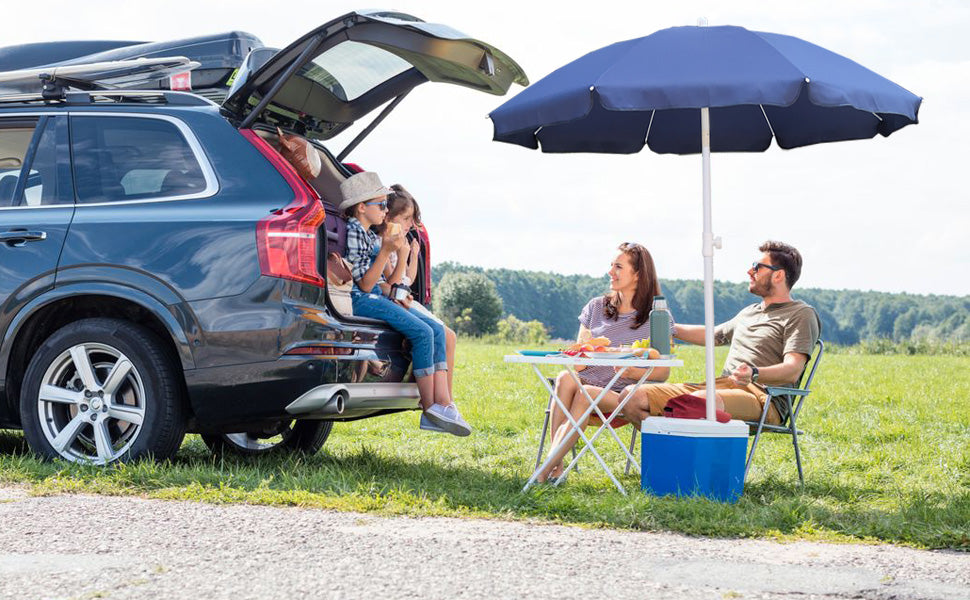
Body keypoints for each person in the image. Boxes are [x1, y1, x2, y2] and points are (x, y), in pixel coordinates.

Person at [619, 240, 821, 428]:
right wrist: (667, 327)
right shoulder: (749, 312)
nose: (750, 271)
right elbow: (713, 335)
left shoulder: (800, 314)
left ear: (778, 275)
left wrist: (754, 373)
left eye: (757, 267)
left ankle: (686, 445)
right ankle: (671, 448)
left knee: (698, 402)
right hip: (720, 387)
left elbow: (792, 369)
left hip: (763, 396)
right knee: (631, 397)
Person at [340, 171, 471, 436]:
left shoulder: (367, 234)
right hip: (361, 298)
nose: (385, 210)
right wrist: (388, 251)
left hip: (375, 295)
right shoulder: (355, 231)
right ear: (362, 207)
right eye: (381, 205)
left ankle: (442, 403)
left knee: (435, 331)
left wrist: (398, 260)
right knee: (422, 333)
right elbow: (364, 285)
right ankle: (431, 408)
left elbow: (385, 280)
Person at [535, 242, 672, 483]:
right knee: (565, 377)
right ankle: (555, 466)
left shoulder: (657, 317)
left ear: (638, 274)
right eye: (611, 265)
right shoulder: (596, 307)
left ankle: (543, 471)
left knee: (585, 393)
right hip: (586, 385)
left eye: (618, 266)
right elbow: (579, 360)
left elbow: (663, 373)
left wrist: (632, 371)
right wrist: (580, 355)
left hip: (621, 395)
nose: (610, 272)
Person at [382, 184, 458, 397]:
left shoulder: (400, 245)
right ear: (388, 217)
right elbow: (393, 281)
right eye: (406, 218)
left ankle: (446, 398)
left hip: (403, 295)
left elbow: (408, 278)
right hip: (398, 297)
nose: (410, 224)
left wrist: (412, 255)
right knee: (444, 335)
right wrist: (401, 255)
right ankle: (441, 399)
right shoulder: (385, 245)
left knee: (450, 337)